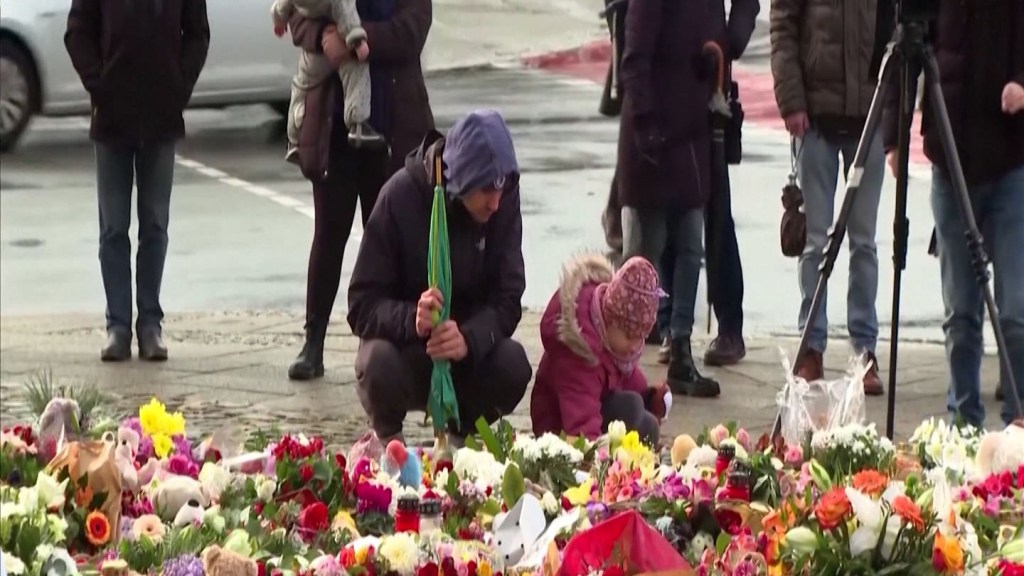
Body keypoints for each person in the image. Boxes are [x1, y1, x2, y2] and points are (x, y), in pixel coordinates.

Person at [348, 109, 532, 443]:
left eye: (502, 188)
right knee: (376, 362)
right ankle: (390, 441)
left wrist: (470, 338)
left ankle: (461, 435)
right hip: (410, 352)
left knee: (513, 363)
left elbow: (508, 297)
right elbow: (361, 305)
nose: (495, 202)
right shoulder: (400, 196)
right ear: (459, 180)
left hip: (465, 355)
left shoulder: (502, 200)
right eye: (486, 190)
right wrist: (412, 320)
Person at [882, 0, 1024, 428]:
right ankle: (963, 423)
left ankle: (1019, 419)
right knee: (961, 314)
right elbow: (904, 50)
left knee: (1015, 311)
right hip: (950, 156)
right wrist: (894, 138)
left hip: (1011, 161)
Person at [284, 0, 434, 380]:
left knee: (389, 240)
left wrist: (355, 40)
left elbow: (412, 30)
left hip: (391, 128)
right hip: (334, 128)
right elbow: (298, 16)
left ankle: (399, 341)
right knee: (329, 233)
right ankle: (313, 341)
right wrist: (323, 36)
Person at [65, 0, 210, 362]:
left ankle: (150, 325)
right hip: (111, 117)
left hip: (161, 115)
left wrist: (179, 84)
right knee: (113, 228)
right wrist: (99, 83)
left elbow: (197, 34)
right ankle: (117, 326)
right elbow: (77, 32)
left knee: (155, 225)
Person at [770, 0, 885, 394]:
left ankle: (864, 351)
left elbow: (897, 27)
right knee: (816, 244)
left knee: (864, 244)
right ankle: (811, 348)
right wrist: (792, 100)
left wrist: (893, 103)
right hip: (815, 118)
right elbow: (783, 26)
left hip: (868, 117)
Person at [617, 0, 719, 398]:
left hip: (689, 132)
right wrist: (645, 121)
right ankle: (622, 357)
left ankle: (680, 346)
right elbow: (634, 59)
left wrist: (711, 62)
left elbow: (715, 36)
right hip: (655, 135)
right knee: (644, 255)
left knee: (691, 245)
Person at [531, 255, 671, 447]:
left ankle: (628, 460)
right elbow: (580, 418)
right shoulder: (579, 349)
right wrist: (590, 457)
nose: (635, 345)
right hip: (559, 430)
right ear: (610, 320)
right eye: (630, 336)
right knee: (631, 407)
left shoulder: (611, 340)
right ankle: (608, 459)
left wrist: (650, 397)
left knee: (648, 425)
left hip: (595, 408)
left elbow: (625, 377)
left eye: (641, 337)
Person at [271, 0, 384, 164]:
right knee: (357, 72)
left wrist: (278, 18)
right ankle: (358, 124)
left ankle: (294, 138)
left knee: (301, 85)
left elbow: (411, 30)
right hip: (325, 130)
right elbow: (344, 11)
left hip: (387, 117)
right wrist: (353, 41)